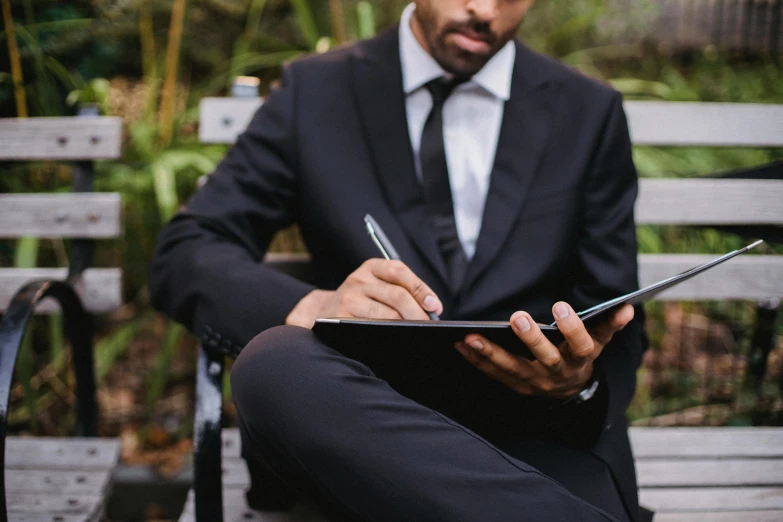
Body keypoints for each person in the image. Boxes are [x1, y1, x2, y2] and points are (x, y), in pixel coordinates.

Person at [149, 0, 648, 520]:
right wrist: (313, 303)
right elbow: (186, 251)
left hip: (532, 447)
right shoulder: (315, 91)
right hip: (358, 440)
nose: (483, 9)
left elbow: (615, 313)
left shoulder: (587, 111)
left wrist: (576, 387)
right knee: (273, 365)